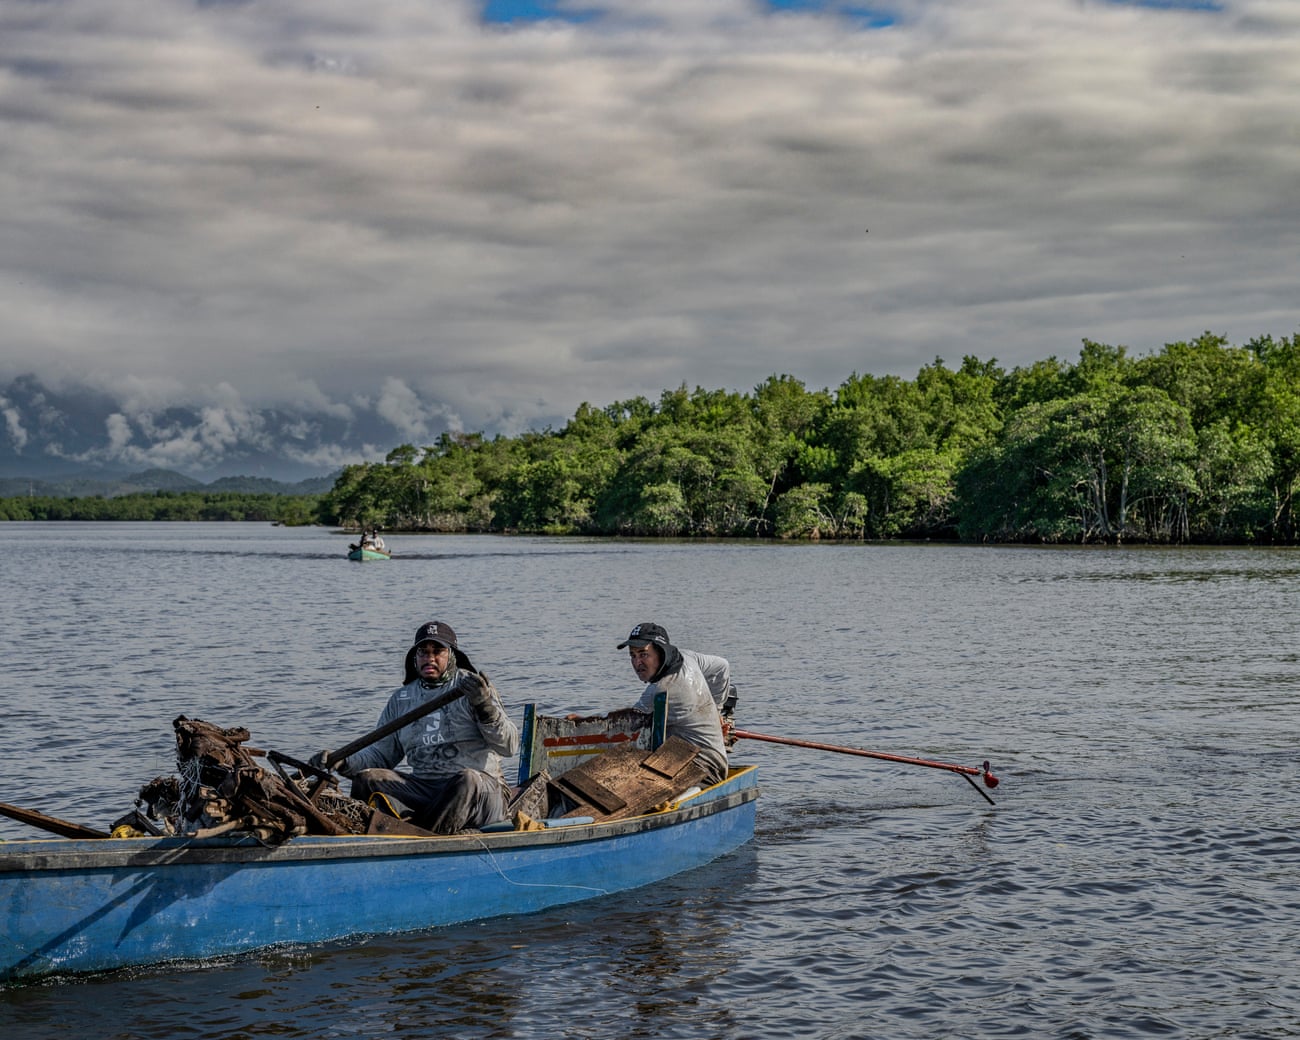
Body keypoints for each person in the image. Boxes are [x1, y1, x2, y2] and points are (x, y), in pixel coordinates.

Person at [311, 621, 519, 834]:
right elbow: (380, 754)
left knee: (467, 779)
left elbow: (509, 746)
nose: (430, 658)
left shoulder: (474, 688)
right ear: (414, 657)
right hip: (426, 790)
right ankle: (370, 839)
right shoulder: (401, 699)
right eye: (423, 652)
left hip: (483, 790)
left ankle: (423, 841)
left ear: (452, 655)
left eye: (438, 651)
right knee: (367, 779)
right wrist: (342, 762)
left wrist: (484, 706)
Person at [612, 622, 730, 785]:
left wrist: (581, 722)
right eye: (632, 655)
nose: (637, 663)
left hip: (703, 770)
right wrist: (717, 711)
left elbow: (623, 729)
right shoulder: (688, 658)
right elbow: (722, 666)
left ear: (661, 652)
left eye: (643, 654)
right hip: (700, 757)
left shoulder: (662, 689)